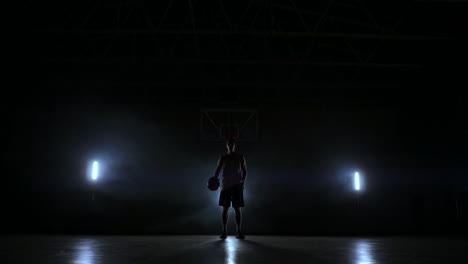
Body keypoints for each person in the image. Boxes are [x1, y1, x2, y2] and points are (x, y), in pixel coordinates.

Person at [214, 138, 247, 239]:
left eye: (232, 144)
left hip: (237, 185)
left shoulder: (240, 157)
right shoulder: (223, 157)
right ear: (227, 146)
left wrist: (243, 183)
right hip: (226, 185)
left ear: (234, 145)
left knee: (237, 208)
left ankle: (239, 231)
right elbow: (218, 170)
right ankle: (224, 231)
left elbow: (244, 171)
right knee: (225, 208)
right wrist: (215, 181)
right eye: (229, 144)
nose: (231, 145)